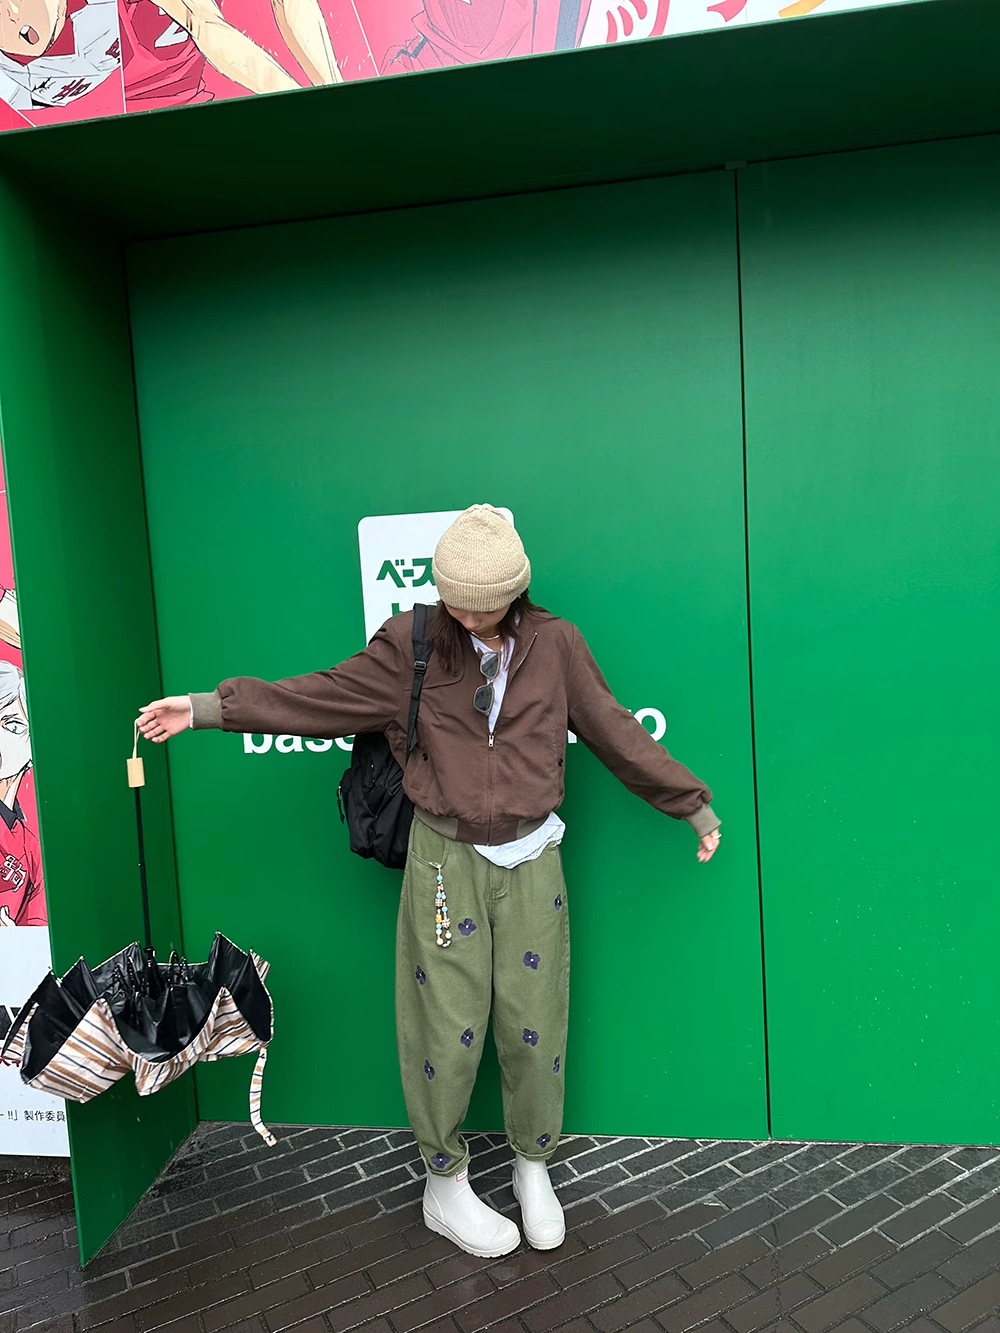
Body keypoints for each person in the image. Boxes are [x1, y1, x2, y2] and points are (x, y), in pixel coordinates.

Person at [137, 504, 721, 1258]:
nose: (470, 612)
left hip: (533, 859)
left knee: (535, 1019)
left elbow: (613, 727)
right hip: (444, 861)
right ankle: (443, 1181)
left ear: (516, 590)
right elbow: (321, 696)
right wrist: (212, 707)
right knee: (445, 1024)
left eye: (486, 600)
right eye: (457, 597)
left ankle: (532, 1163)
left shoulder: (556, 644)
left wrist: (692, 804)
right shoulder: (411, 644)